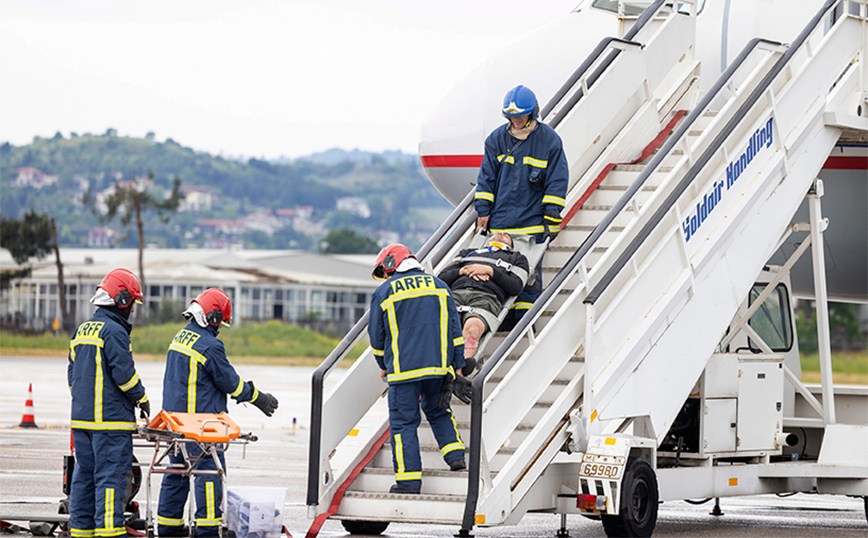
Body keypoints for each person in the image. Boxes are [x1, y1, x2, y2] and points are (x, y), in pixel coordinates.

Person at [157, 288, 278, 537]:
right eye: (220, 322)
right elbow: (231, 383)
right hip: (199, 425)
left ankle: (168, 528)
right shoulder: (210, 345)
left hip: (174, 424)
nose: (220, 327)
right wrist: (259, 398)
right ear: (211, 317)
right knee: (209, 472)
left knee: (176, 473)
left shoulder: (179, 337)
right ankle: (208, 529)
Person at [368, 244, 470, 495]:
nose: (385, 276)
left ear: (390, 264)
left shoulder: (384, 292)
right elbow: (455, 332)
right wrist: (458, 366)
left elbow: (376, 338)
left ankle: (408, 482)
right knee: (439, 410)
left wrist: (383, 365)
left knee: (403, 424)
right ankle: (456, 456)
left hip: (404, 373)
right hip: (439, 368)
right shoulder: (439, 286)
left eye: (384, 271)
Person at [474, 85, 569, 323]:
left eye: (521, 115)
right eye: (512, 116)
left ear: (533, 113)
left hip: (533, 224)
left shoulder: (549, 141)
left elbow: (557, 182)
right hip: (501, 224)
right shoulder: (496, 139)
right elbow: (486, 178)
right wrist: (483, 211)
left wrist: (552, 217)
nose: (516, 121)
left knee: (529, 278)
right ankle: (504, 321)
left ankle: (524, 325)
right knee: (499, 272)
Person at [68, 268, 150, 538]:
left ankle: (81, 532)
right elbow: (124, 374)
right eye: (132, 304)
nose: (133, 311)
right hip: (110, 422)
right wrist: (142, 398)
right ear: (122, 300)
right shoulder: (114, 331)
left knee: (83, 478)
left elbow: (73, 376)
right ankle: (110, 533)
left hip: (82, 421)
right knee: (110, 478)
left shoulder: (82, 329)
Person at [439, 232, 530, 359]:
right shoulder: (468, 253)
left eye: (506, 235)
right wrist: (463, 271)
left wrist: (490, 271)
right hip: (456, 294)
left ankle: (459, 372)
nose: (500, 233)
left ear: (511, 247)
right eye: (498, 233)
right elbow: (440, 279)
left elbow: (516, 286)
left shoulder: (517, 258)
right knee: (439, 331)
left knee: (472, 330)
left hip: (486, 297)